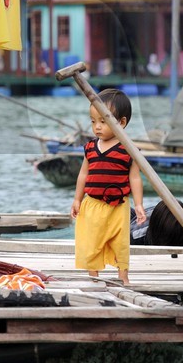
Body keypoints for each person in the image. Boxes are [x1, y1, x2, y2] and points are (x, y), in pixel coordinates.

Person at [72, 88, 147, 284]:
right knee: (91, 241)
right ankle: (93, 277)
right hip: (93, 205)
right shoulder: (90, 148)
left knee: (120, 242)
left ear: (121, 123)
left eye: (103, 122)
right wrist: (77, 199)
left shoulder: (128, 150)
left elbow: (135, 178)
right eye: (93, 121)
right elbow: (83, 174)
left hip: (118, 206)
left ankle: (123, 276)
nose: (97, 127)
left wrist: (138, 204)